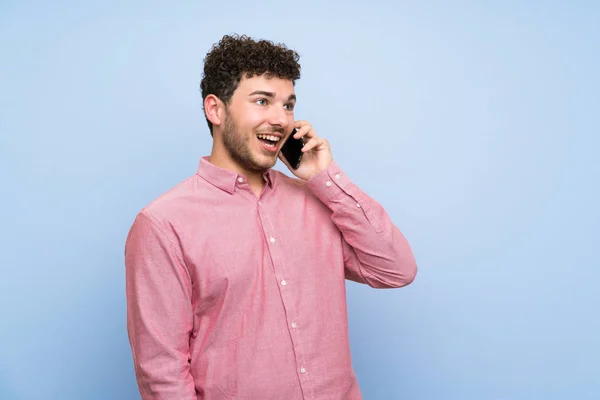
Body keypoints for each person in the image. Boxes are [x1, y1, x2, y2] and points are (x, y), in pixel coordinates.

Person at [124, 34, 417, 400]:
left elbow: (396, 269)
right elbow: (162, 374)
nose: (281, 119)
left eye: (288, 105)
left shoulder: (318, 200)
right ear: (216, 110)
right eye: (263, 101)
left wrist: (324, 178)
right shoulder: (163, 224)